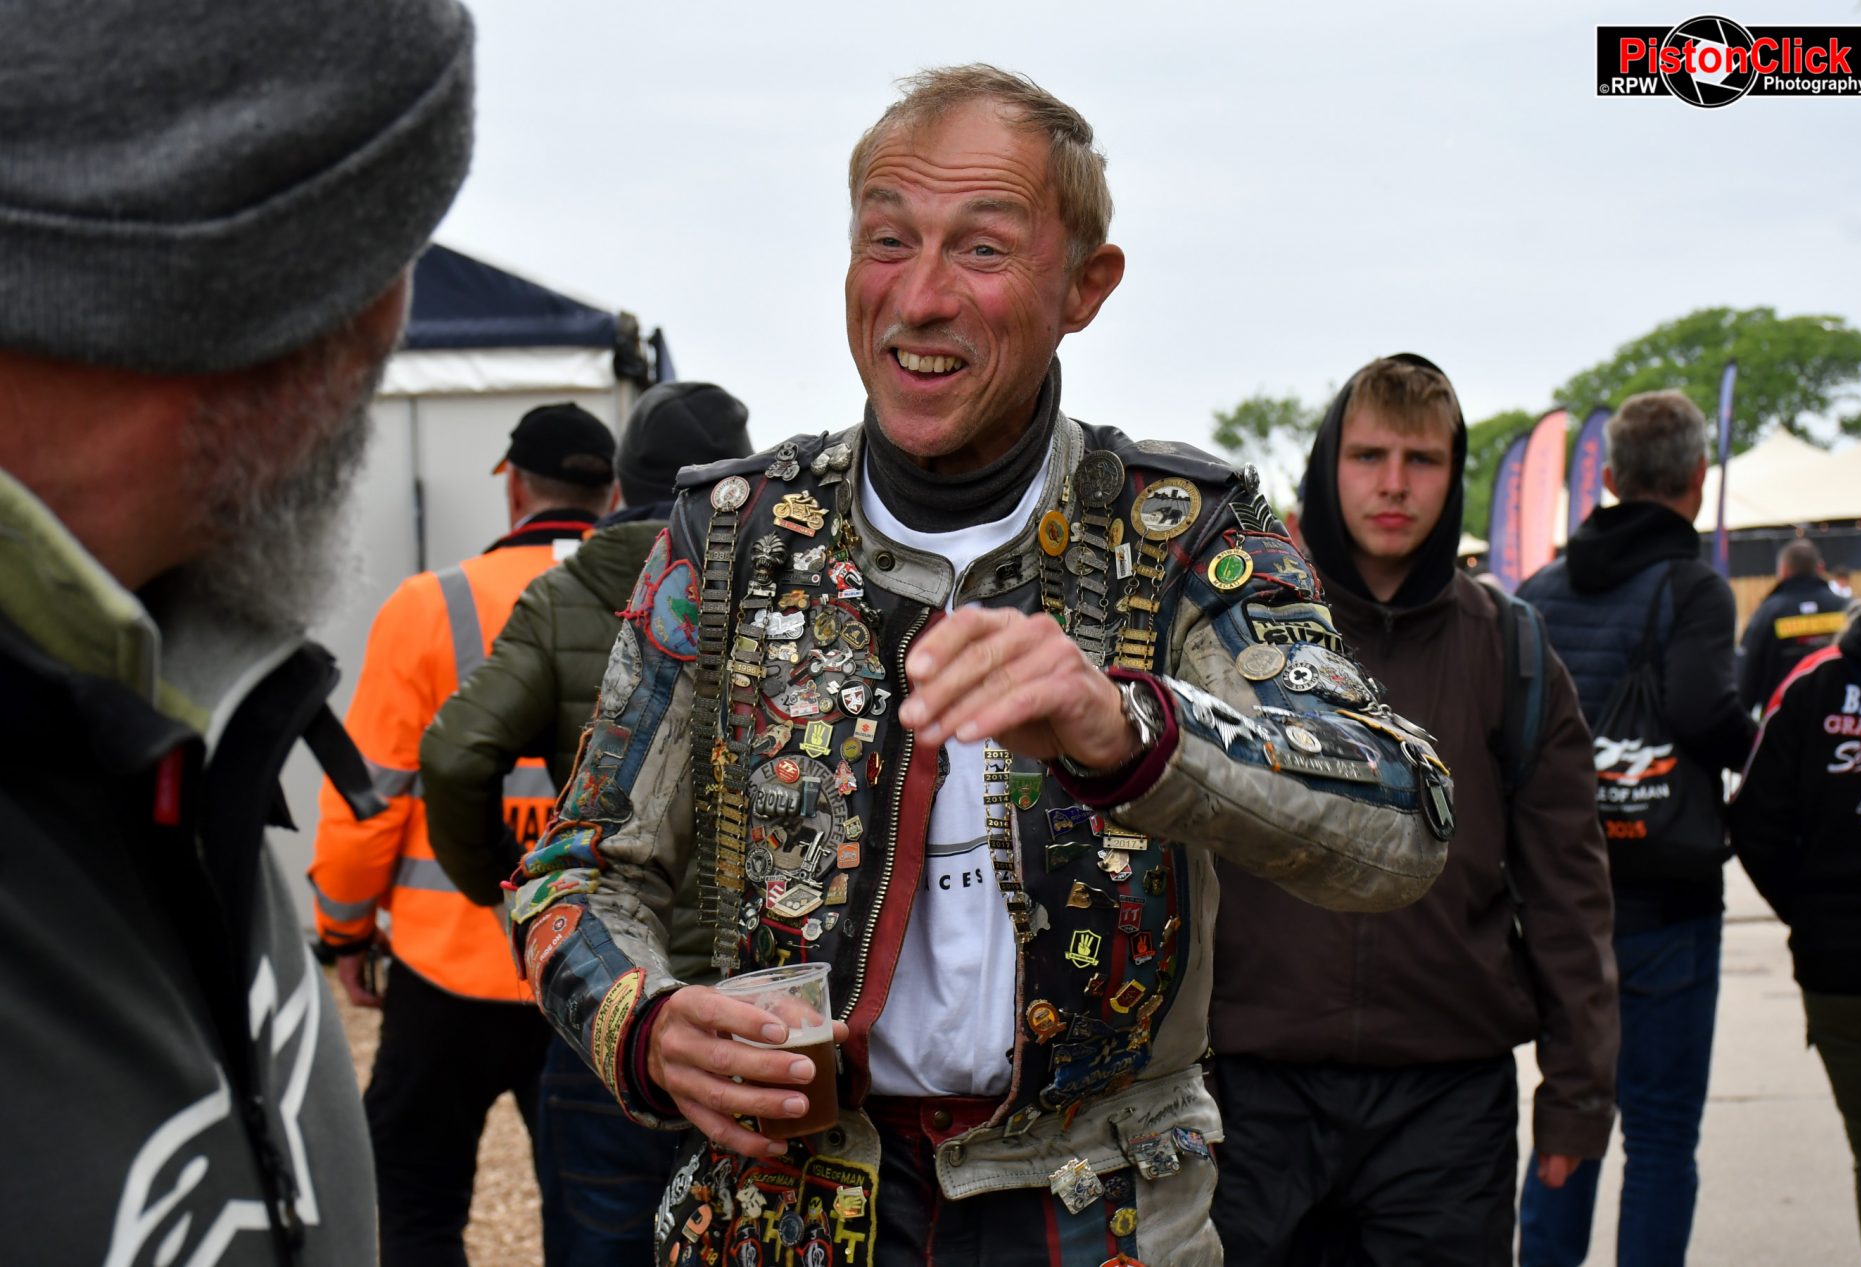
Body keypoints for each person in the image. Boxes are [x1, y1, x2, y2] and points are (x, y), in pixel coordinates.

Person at [505, 65, 1454, 1266]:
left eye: (984, 251)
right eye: (887, 241)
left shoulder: (1177, 528)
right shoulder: (731, 532)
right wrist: (644, 1024)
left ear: (1084, 287)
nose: (921, 298)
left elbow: (1401, 816)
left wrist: (1126, 730)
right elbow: (575, 869)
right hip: (786, 1214)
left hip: (1099, 1213)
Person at [0, 0, 473, 1261]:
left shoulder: (183, 690)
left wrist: (345, 925)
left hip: (442, 968)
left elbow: (390, 780)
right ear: (333, 307)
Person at [1208, 355, 1615, 1266]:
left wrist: (1579, 1095)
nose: (1394, 483)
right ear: (1327, 464)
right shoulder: (1234, 638)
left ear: (1454, 473)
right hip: (1250, 1095)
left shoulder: (1512, 651)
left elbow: (1569, 893)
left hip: (1447, 1105)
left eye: (1422, 460)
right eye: (1369, 455)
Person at [419, 382, 753, 1263]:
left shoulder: (564, 596)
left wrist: (505, 889)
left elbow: (455, 755)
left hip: (616, 1006)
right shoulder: (785, 586)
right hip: (757, 1012)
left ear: (617, 489)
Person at [308, 402, 616, 1265]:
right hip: (592, 972)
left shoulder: (427, 605)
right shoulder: (647, 596)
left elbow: (369, 798)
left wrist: (343, 929)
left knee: (412, 1205)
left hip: (445, 971)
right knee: (592, 1217)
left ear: (515, 486)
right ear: (613, 490)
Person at [1516, 388, 1758, 1267]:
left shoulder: (1539, 590)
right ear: (1698, 480)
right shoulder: (1693, 588)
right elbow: (1702, 707)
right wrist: (1758, 747)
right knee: (1659, 1137)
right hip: (1669, 902)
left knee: (1568, 1119)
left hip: (1560, 906)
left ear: (1610, 478)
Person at [1732, 472, 1861, 1267]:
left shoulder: (1813, 687)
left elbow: (1755, 821)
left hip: (1833, 970)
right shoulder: (1812, 680)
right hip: (1845, 959)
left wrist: (1814, 909)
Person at [1739, 538, 1851, 714]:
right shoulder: (1846, 609)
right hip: (1837, 722)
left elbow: (1747, 677)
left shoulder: (1768, 613)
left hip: (1782, 725)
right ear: (1820, 568)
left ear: (1783, 570)